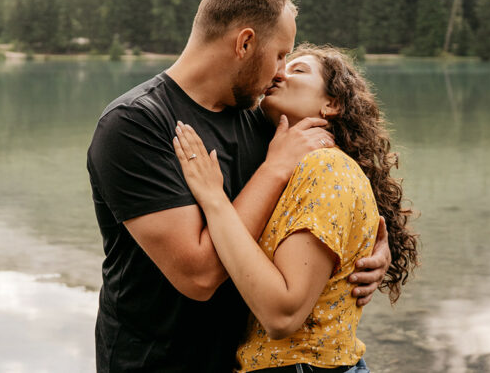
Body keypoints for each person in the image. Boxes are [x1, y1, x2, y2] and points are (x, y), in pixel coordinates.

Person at [87, 0, 391, 373]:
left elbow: (322, 203)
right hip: (155, 363)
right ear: (245, 43)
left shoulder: (263, 118)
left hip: (238, 362)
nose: (281, 71)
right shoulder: (135, 125)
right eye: (281, 54)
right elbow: (198, 276)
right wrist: (274, 168)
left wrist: (370, 251)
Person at [172, 44, 419, 372]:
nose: (280, 73)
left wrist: (213, 200)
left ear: (332, 103)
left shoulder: (326, 169)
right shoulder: (291, 164)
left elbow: (282, 314)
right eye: (281, 64)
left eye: (298, 70)